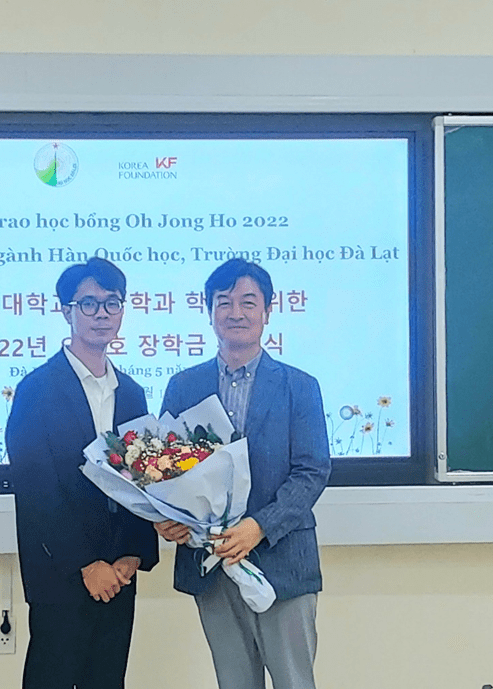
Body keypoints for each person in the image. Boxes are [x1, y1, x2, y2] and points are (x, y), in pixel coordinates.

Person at [156, 258, 331, 689]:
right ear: (209, 312)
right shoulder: (183, 386)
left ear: (268, 311)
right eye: (224, 302)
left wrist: (259, 527)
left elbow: (311, 471)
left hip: (283, 561)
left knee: (294, 682)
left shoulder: (299, 386)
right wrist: (166, 517)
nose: (236, 312)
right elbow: (163, 469)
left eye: (248, 302)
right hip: (211, 564)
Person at [6, 257, 158, 689]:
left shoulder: (132, 393)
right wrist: (87, 565)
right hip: (60, 572)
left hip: (119, 574)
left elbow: (141, 480)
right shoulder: (36, 389)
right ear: (66, 311)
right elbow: (36, 489)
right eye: (88, 303)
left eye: (112, 303)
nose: (101, 314)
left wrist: (131, 554)